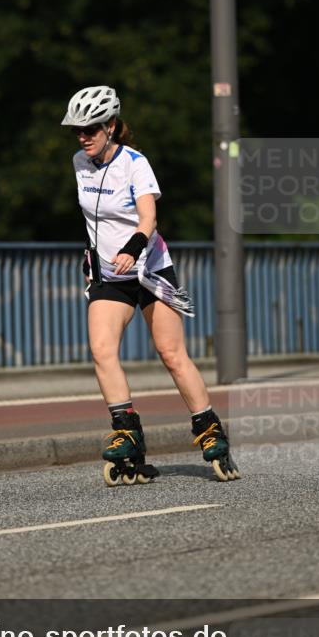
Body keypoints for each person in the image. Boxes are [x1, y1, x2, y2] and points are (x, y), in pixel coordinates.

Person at [61, 85, 240, 485]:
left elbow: (148, 217)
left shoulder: (135, 163)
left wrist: (133, 247)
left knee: (171, 353)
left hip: (150, 269)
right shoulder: (80, 162)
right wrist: (92, 255)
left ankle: (210, 429)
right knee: (101, 349)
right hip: (110, 274)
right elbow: (94, 217)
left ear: (110, 126)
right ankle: (127, 434)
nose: (83, 137)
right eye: (77, 130)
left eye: (90, 128)